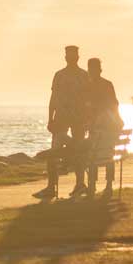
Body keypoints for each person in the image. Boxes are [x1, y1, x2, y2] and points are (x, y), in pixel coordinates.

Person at [34, 45, 90, 200]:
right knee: (55, 151)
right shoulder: (60, 75)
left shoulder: (83, 76)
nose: (71, 58)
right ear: (66, 57)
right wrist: (50, 118)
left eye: (73, 55)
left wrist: (86, 119)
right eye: (69, 55)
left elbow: (87, 100)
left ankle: (78, 184)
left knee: (77, 151)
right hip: (62, 118)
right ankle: (53, 186)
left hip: (77, 119)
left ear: (77, 57)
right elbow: (54, 98)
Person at [84, 58, 123, 196]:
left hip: (98, 129)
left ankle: (92, 184)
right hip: (110, 130)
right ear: (100, 69)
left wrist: (90, 122)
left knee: (92, 155)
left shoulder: (88, 87)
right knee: (108, 155)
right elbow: (114, 104)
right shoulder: (108, 85)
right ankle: (108, 185)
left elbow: (87, 107)